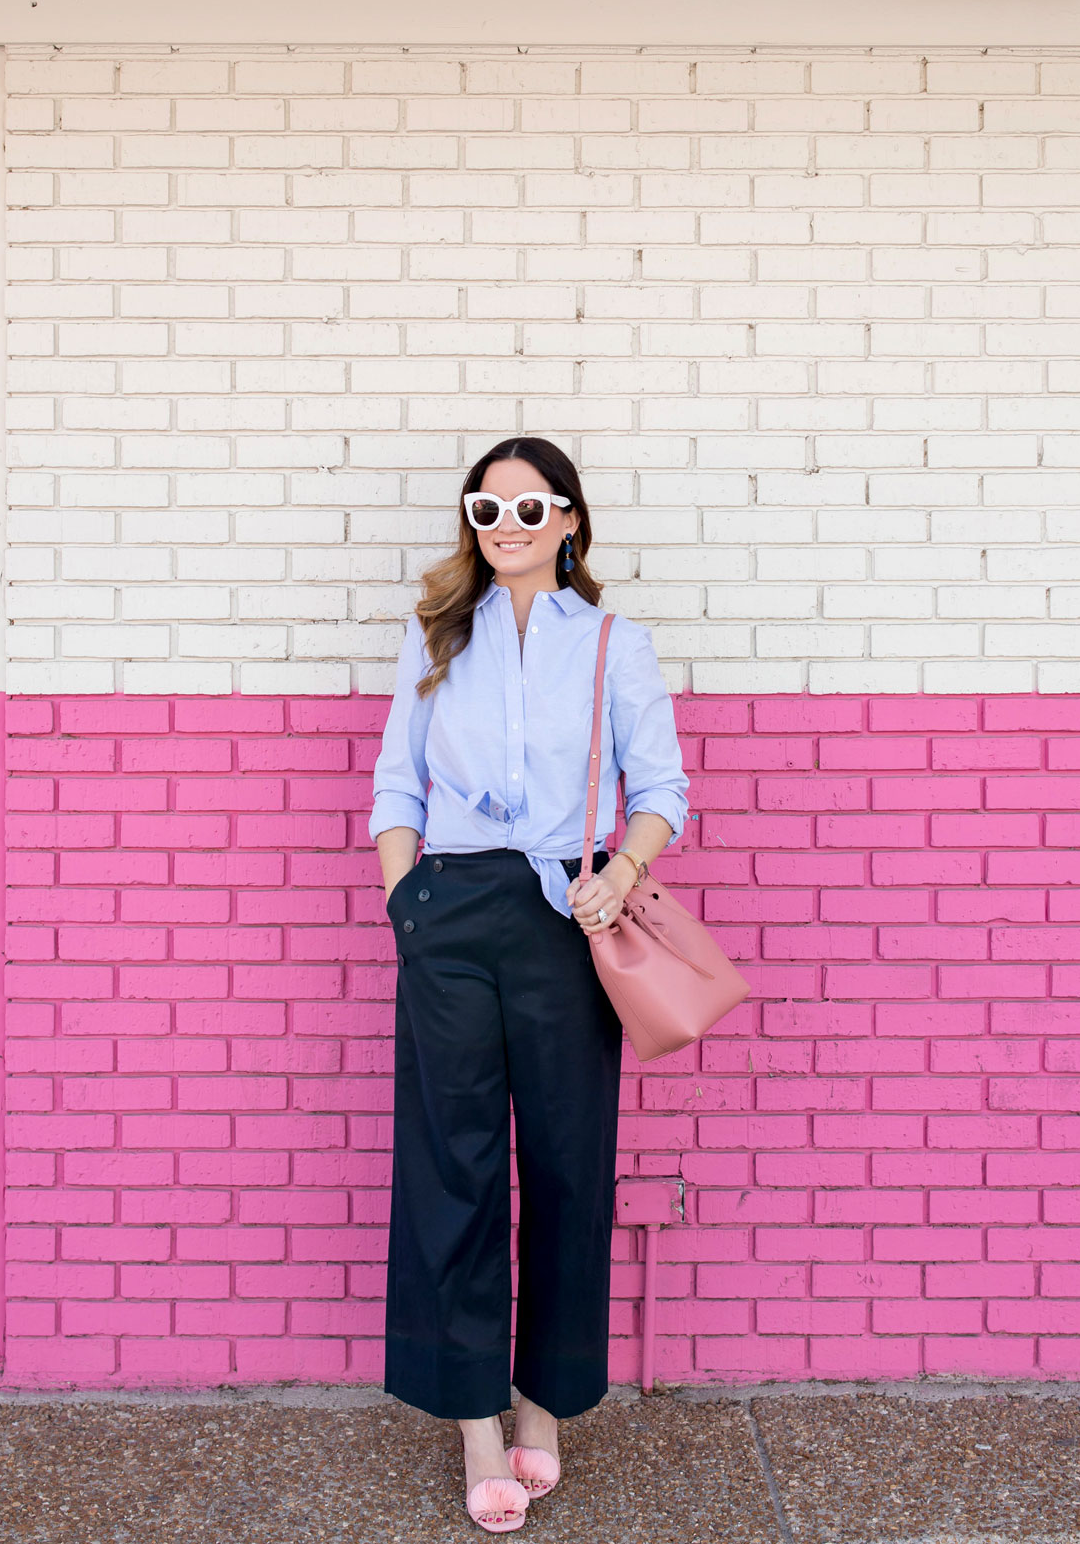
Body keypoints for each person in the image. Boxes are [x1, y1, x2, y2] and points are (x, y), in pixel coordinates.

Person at [369, 436, 689, 1534]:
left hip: (565, 919)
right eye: (486, 510)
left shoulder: (611, 642)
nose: (505, 527)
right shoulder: (434, 641)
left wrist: (624, 872)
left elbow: (659, 789)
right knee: (453, 1171)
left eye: (529, 508)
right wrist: (405, 902)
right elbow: (392, 788)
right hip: (448, 915)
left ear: (569, 522)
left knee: (565, 1168)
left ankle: (540, 1410)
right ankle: (471, 1426)